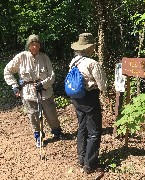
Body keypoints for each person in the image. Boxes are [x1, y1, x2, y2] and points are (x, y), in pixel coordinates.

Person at [4, 34, 64, 148]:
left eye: (37, 45)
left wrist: (43, 83)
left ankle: (57, 132)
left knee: (51, 112)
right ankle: (39, 137)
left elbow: (52, 75)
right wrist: (14, 85)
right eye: (32, 45)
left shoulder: (44, 57)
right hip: (28, 92)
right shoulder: (21, 57)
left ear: (40, 46)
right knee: (33, 115)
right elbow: (7, 71)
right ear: (28, 46)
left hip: (45, 90)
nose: (35, 47)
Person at [69, 33, 107, 173]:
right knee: (95, 131)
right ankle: (90, 165)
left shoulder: (73, 61)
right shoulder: (92, 63)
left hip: (76, 98)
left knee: (82, 127)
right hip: (90, 98)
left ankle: (81, 158)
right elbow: (102, 86)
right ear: (90, 47)